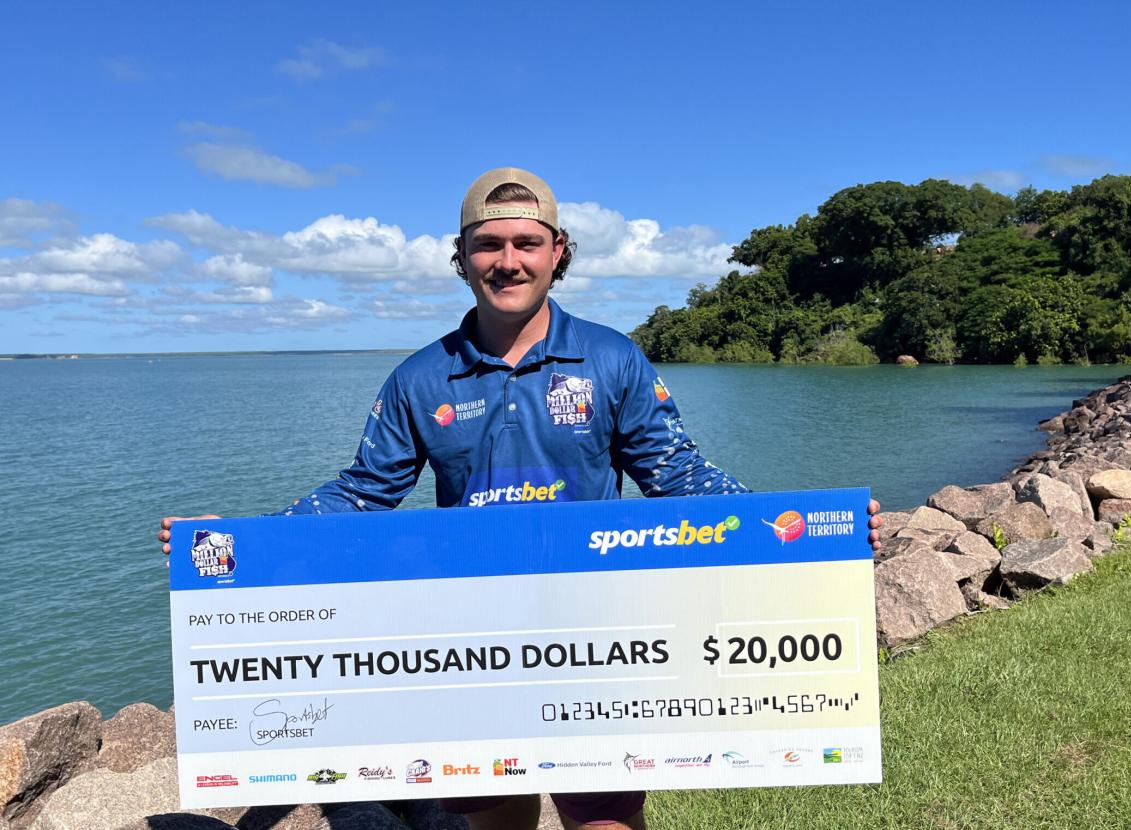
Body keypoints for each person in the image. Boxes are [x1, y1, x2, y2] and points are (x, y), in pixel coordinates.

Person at [160, 167, 883, 830]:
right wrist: (244, 542)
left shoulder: (612, 358)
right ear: (461, 254)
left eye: (527, 243)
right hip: (474, 631)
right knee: (496, 816)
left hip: (599, 626)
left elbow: (680, 477)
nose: (508, 260)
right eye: (489, 245)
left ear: (557, 250)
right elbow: (363, 491)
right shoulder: (419, 377)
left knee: (603, 818)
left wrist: (813, 539)